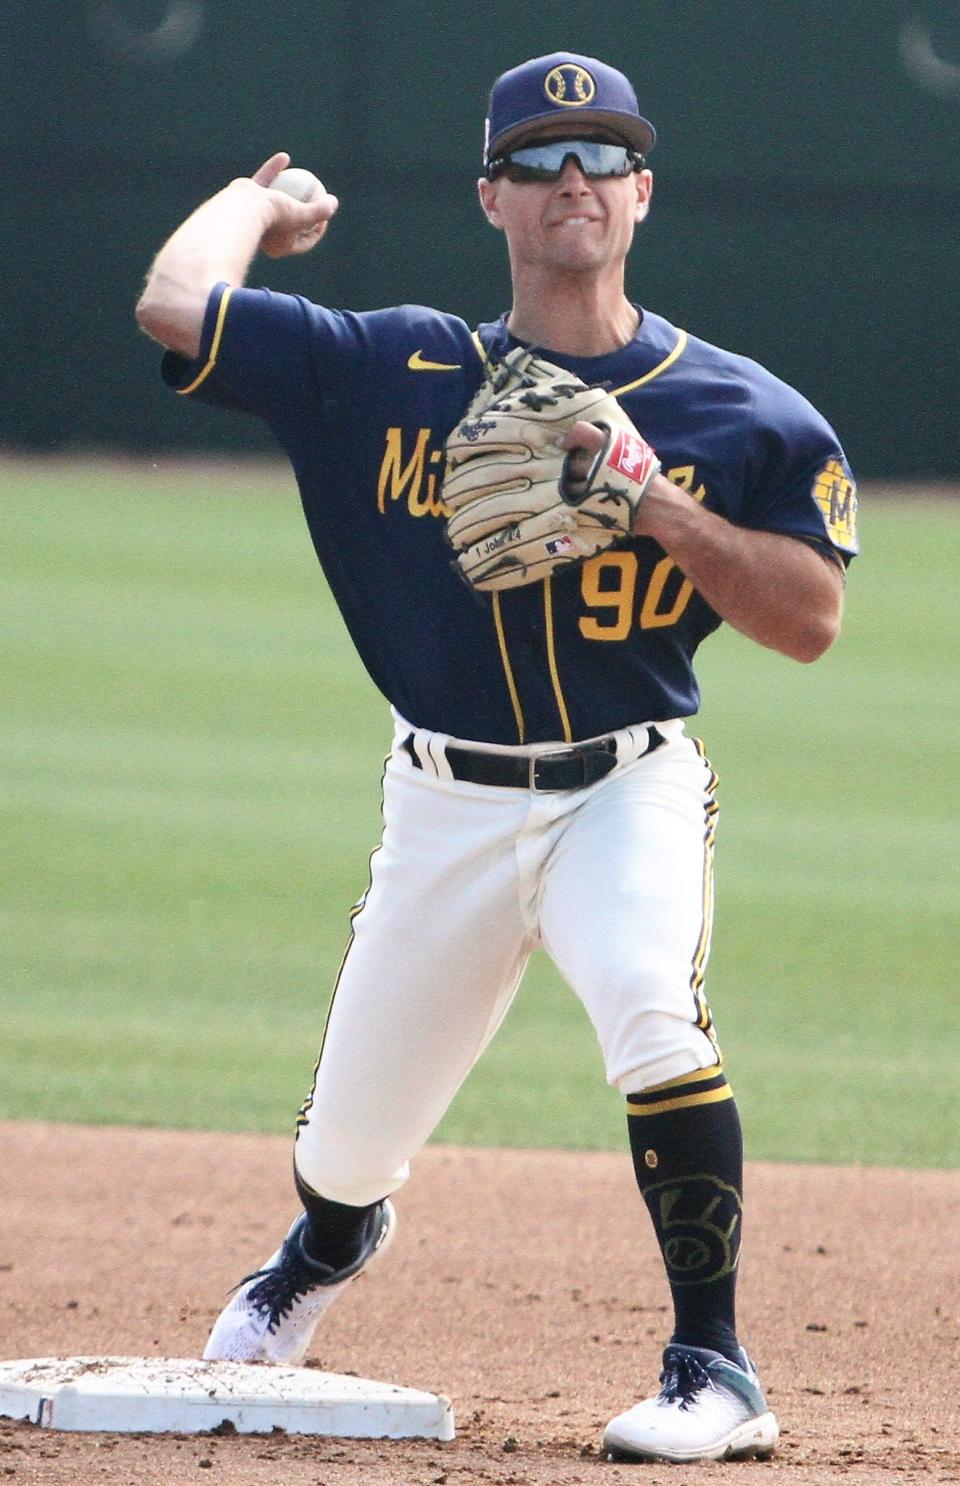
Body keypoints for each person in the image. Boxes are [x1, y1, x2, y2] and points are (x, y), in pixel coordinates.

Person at [136, 50, 858, 1464]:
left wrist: (657, 503)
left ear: (642, 192)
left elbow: (813, 620)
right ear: (493, 198)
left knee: (656, 1009)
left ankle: (714, 1364)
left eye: (600, 156)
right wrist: (253, 201)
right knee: (344, 1149)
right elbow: (174, 303)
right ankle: (330, 1241)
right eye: (538, 159)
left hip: (626, 781)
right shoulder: (389, 367)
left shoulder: (738, 412)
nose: (571, 179)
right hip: (445, 803)